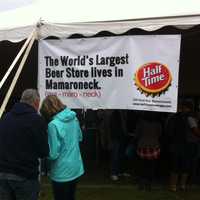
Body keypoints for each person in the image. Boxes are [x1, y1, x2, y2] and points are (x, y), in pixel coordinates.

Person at [0, 89, 49, 200]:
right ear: (36, 103)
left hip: (3, 175)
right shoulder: (37, 120)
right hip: (25, 176)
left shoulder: (5, 118)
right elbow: (44, 151)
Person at [40, 95, 84, 200]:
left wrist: (43, 150)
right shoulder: (74, 118)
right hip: (75, 167)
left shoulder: (53, 125)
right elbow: (79, 137)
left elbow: (53, 154)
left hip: (61, 172)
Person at [167, 100, 200, 192]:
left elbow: (168, 129)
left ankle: (173, 186)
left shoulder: (173, 117)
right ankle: (182, 185)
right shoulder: (190, 118)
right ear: (190, 108)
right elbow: (196, 131)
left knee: (175, 165)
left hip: (174, 144)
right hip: (186, 144)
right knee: (185, 165)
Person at [135, 111, 162, 191]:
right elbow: (160, 134)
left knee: (142, 166)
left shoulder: (141, 123)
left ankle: (141, 184)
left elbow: (137, 134)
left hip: (142, 146)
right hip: (154, 146)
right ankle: (149, 184)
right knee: (151, 166)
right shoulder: (158, 124)